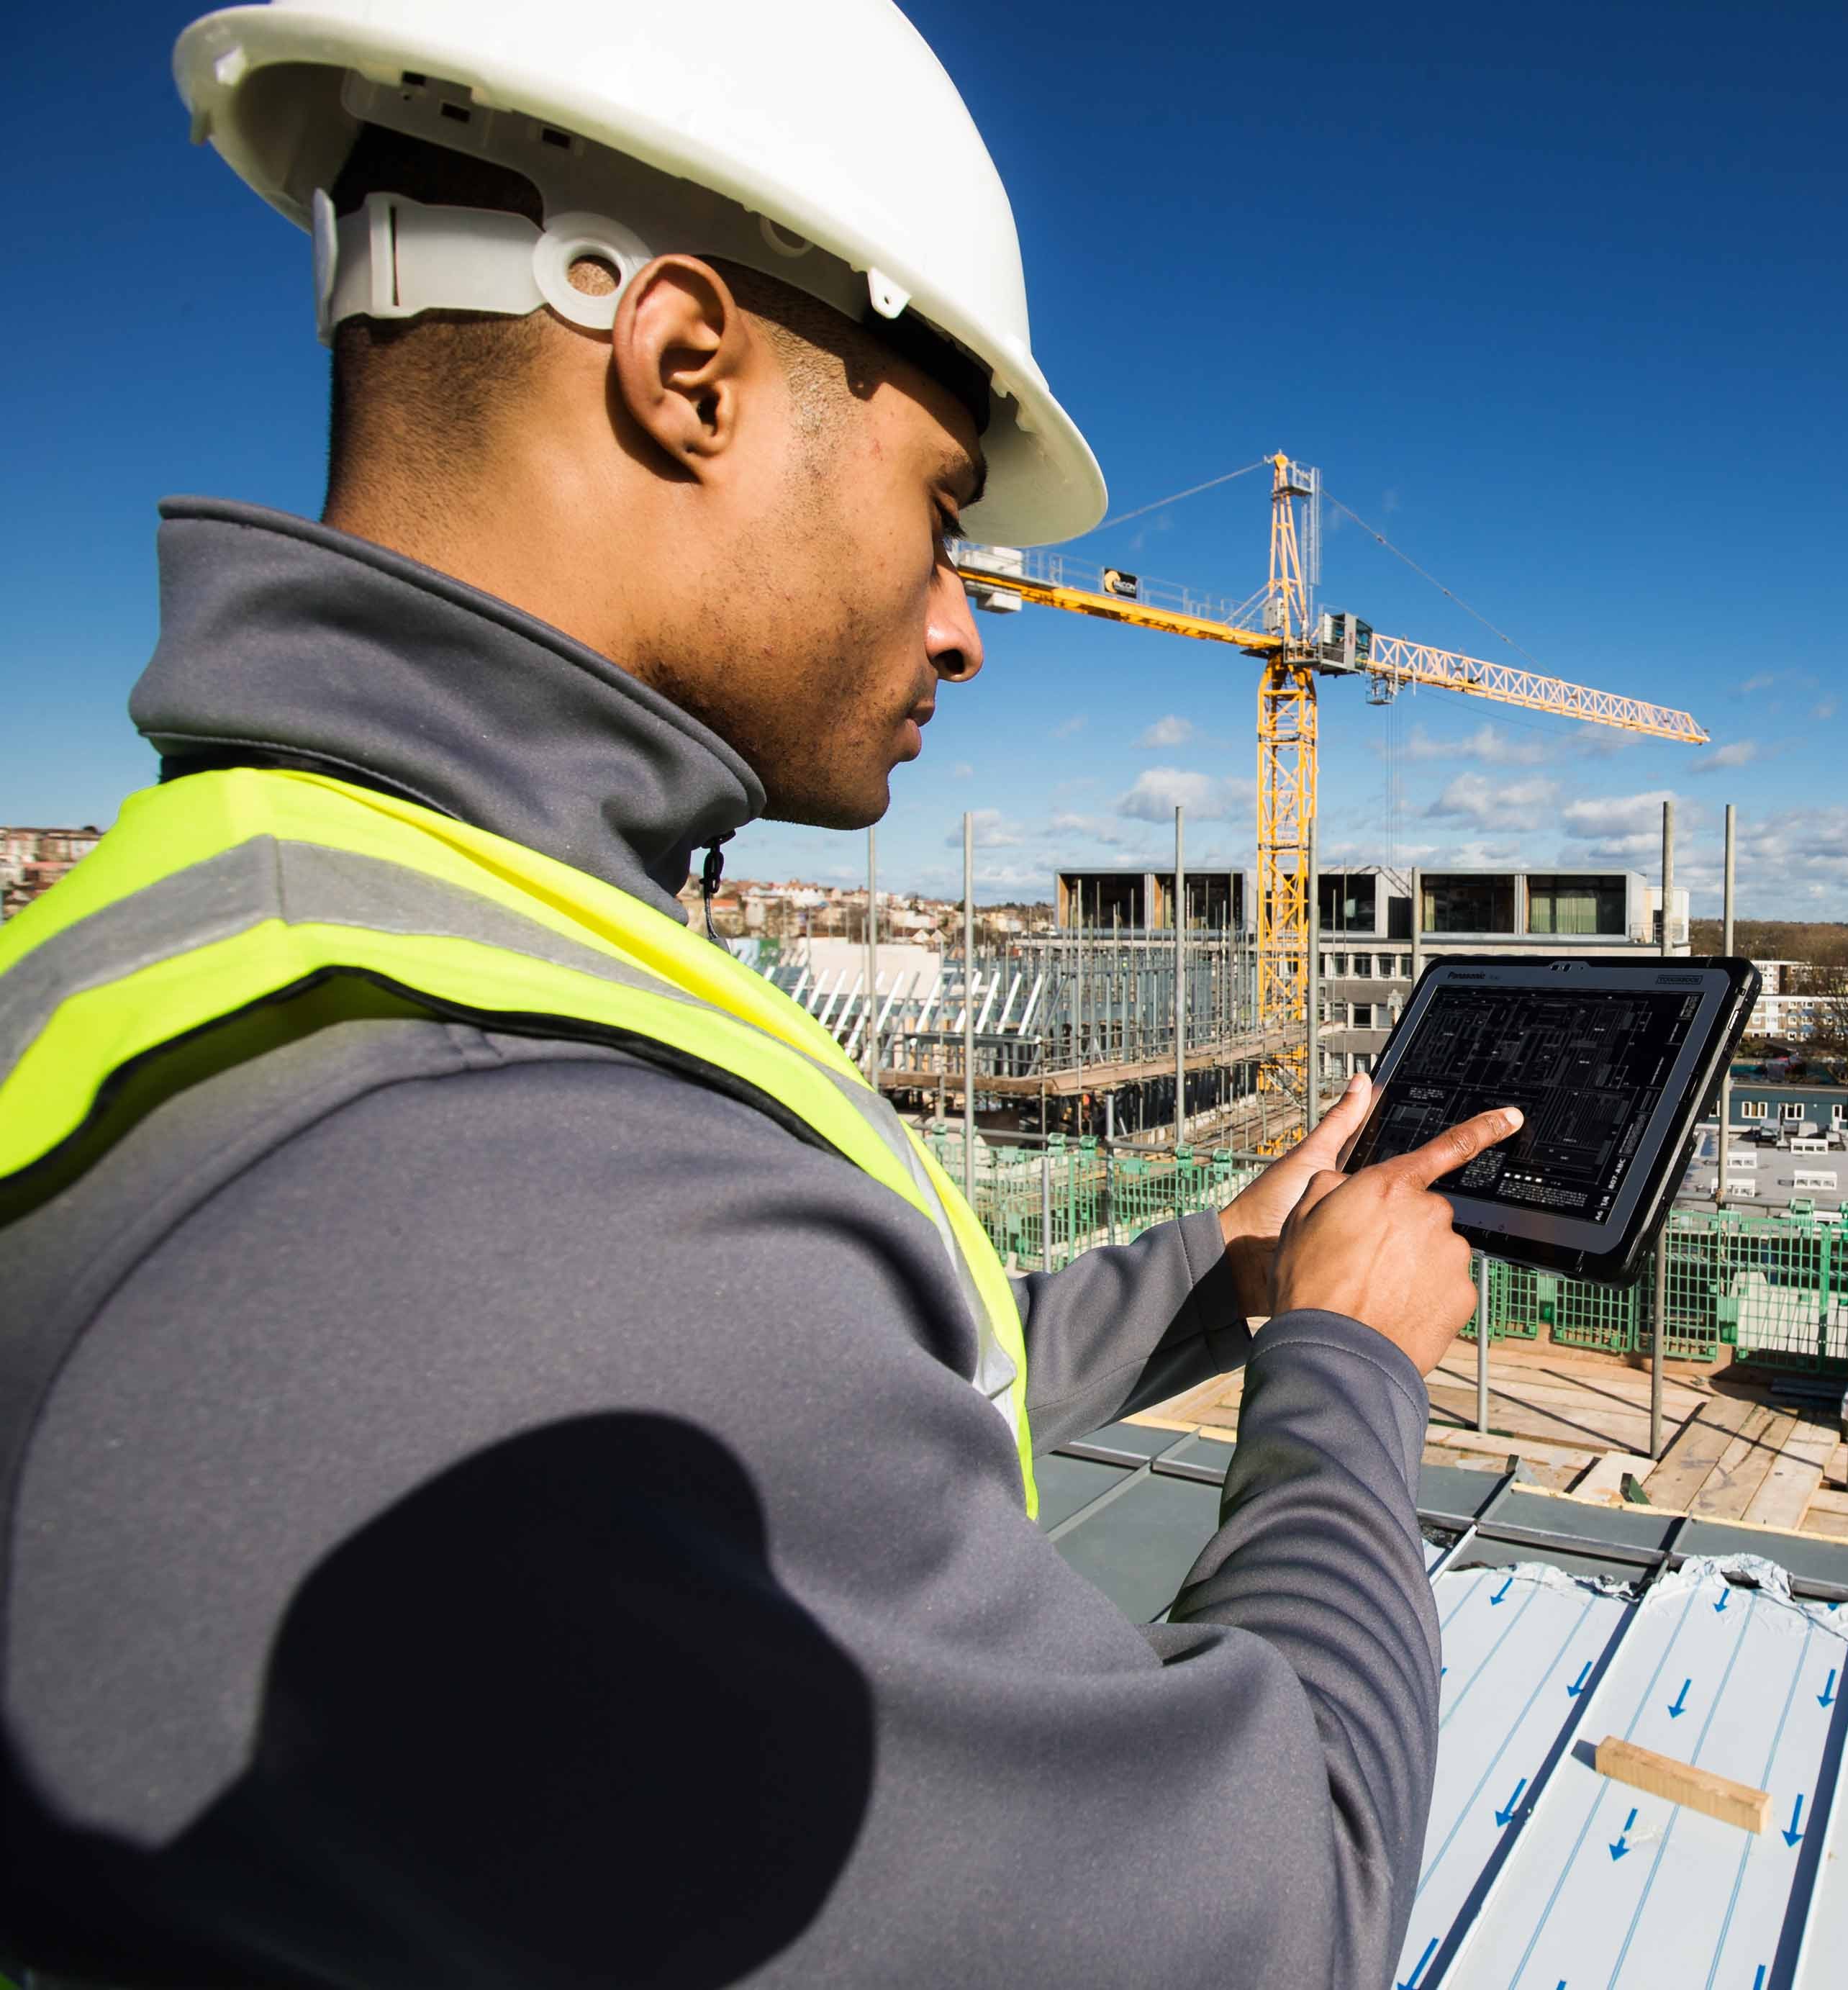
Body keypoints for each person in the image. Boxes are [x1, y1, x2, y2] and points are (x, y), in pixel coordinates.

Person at [0, 4, 1514, 1984]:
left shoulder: (266, 922)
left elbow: (797, 1390)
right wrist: (1349, 1372)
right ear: (685, 371)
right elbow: (1268, 1912)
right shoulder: (486, 1152)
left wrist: (1221, 1274)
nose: (968, 626)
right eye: (943, 510)